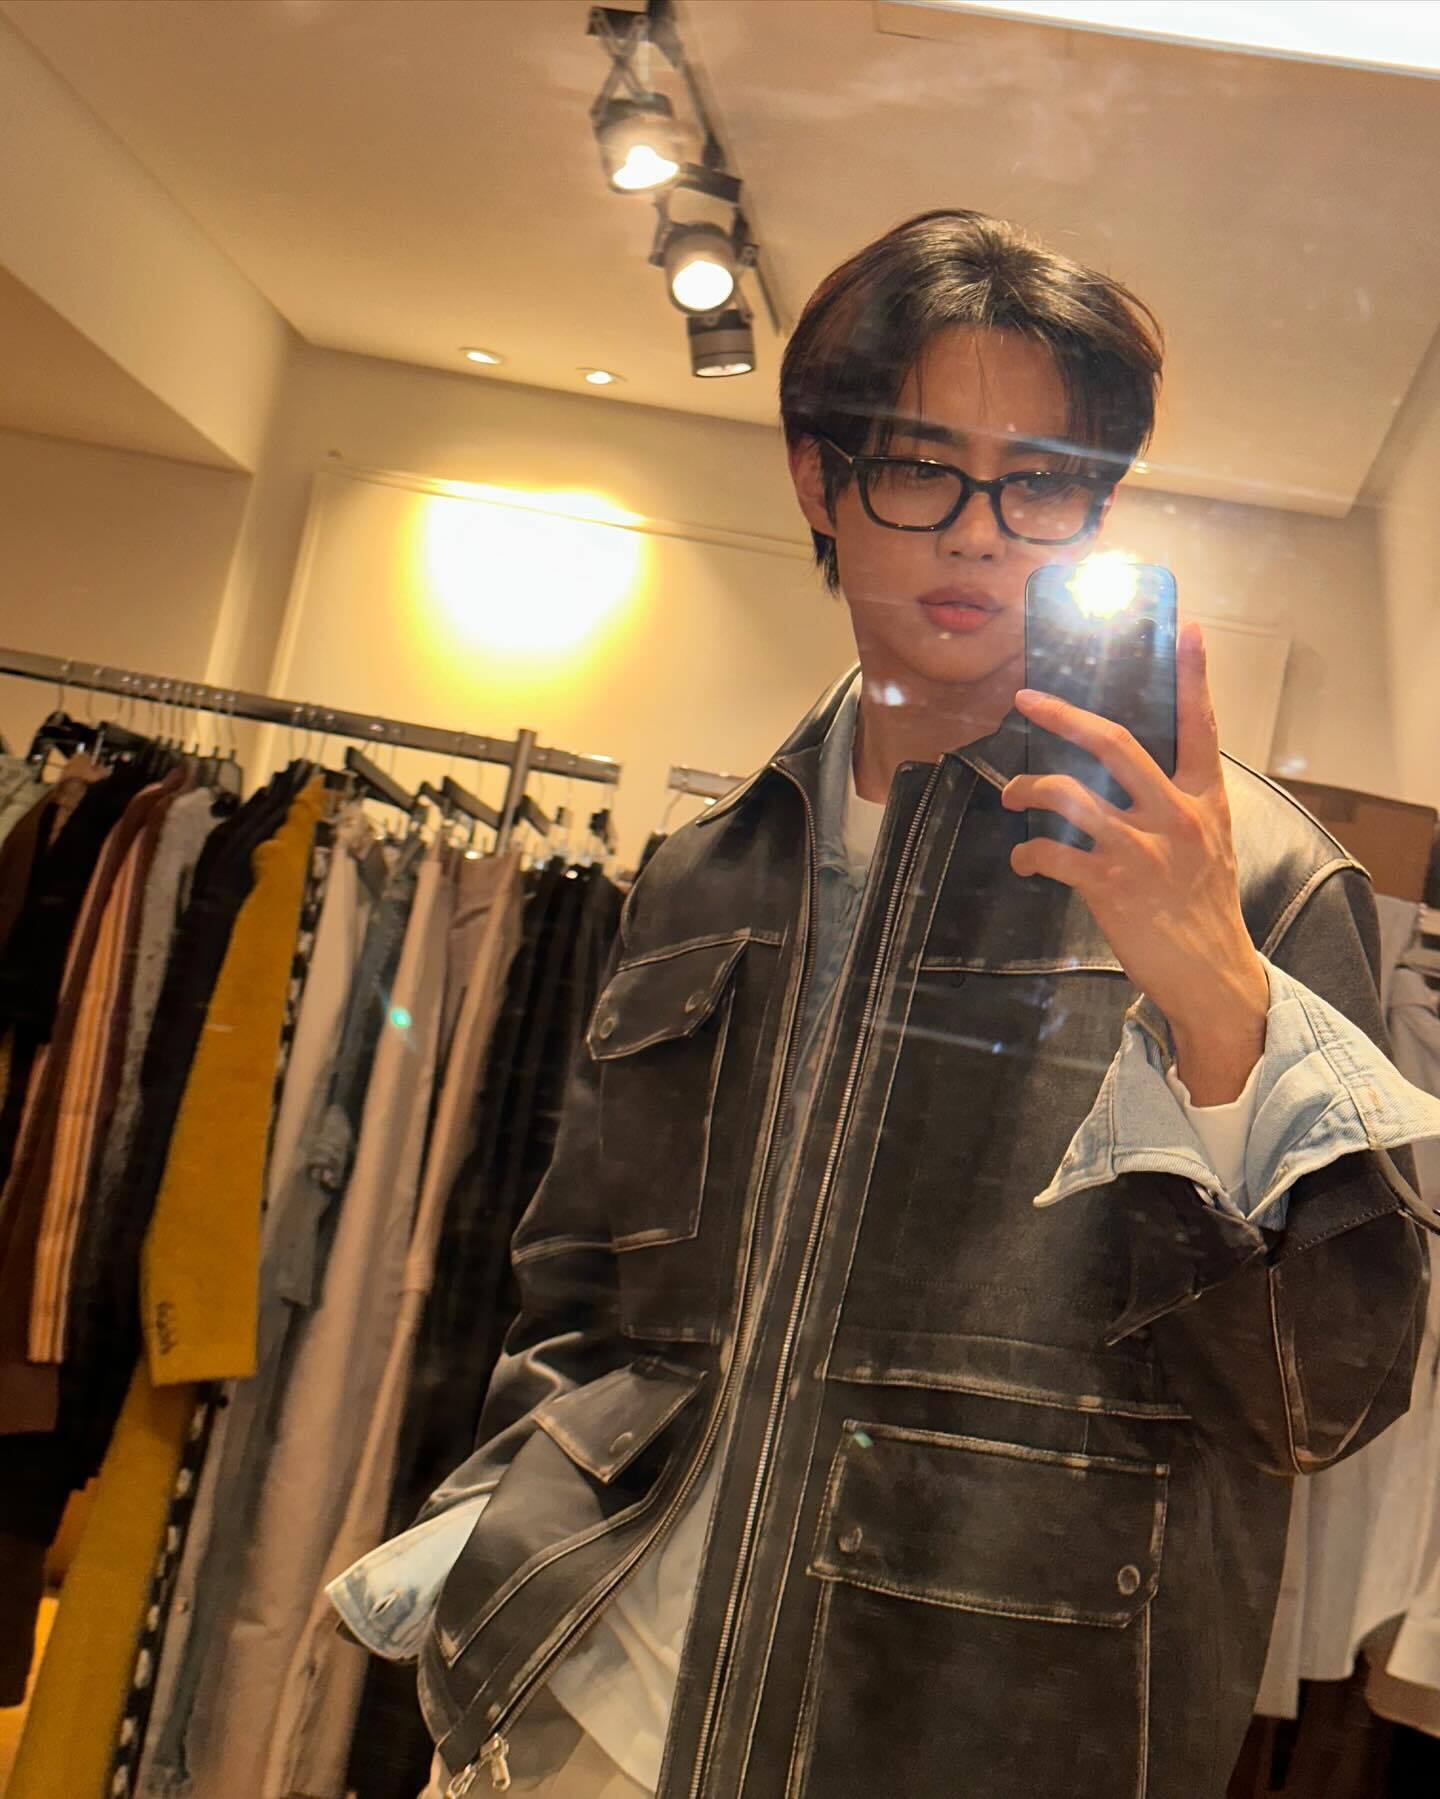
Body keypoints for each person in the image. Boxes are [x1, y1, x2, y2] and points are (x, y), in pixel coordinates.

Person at [332, 211, 1439, 1799]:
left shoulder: (1257, 881)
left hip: (963, 1741)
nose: (982, 536)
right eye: (924, 469)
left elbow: (1318, 1404)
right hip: (581, 1714)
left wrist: (1215, 1002)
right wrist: (495, 1537)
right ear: (820, 480)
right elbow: (579, 1287)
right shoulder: (712, 867)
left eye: (1041, 480)